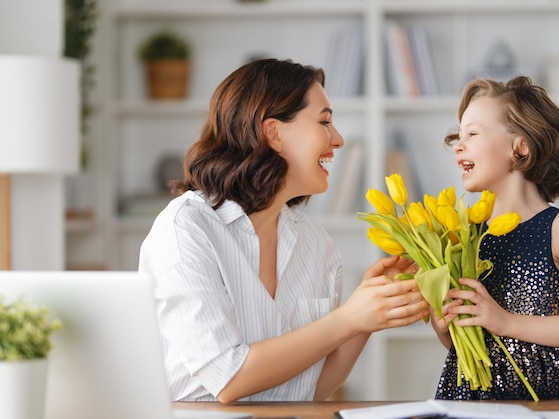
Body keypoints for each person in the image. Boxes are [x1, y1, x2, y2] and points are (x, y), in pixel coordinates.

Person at [138, 58, 429, 404]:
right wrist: (348, 319)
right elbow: (228, 378)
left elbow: (313, 389)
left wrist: (370, 312)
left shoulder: (316, 243)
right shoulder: (186, 228)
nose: (337, 139)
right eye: (324, 121)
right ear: (274, 133)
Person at [431, 75, 559, 400]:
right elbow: (462, 342)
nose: (459, 145)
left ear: (520, 147)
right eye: (458, 136)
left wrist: (505, 321)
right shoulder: (462, 236)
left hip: (556, 395)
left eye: (472, 133)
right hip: (479, 392)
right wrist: (444, 323)